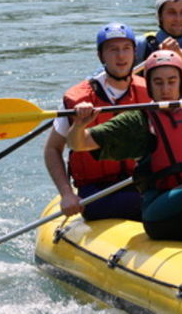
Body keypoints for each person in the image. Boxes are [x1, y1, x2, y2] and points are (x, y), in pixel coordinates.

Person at [65, 50, 182, 241]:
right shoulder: (138, 121)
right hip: (159, 213)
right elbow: (78, 144)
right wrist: (79, 125)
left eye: (172, 81)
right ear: (149, 85)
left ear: (181, 82)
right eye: (158, 83)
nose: (166, 89)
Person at [44, 23, 150, 221]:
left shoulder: (148, 92)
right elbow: (52, 150)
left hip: (137, 181)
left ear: (135, 53)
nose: (121, 56)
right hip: (95, 191)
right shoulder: (77, 99)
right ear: (101, 56)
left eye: (126, 49)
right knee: (140, 204)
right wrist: (67, 194)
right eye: (113, 50)